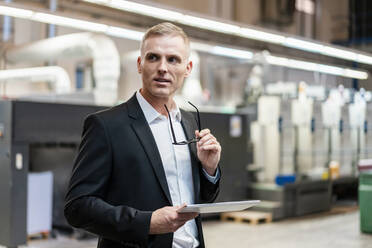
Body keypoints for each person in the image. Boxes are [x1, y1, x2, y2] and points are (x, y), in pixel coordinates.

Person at [64, 22, 221, 248]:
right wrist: (146, 222)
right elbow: (77, 207)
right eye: (153, 57)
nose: (163, 68)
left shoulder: (188, 122)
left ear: (188, 68)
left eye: (173, 59)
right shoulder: (106, 126)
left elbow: (200, 199)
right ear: (140, 64)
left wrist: (209, 170)